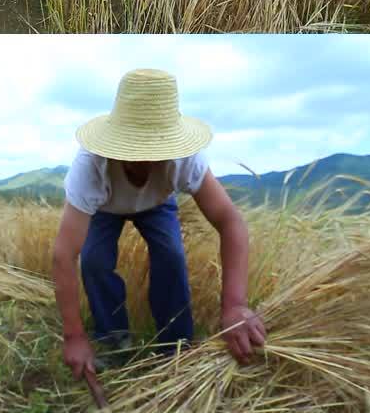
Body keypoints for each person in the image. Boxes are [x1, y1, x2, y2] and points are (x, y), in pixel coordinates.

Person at [50, 68, 265, 379]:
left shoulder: (184, 161)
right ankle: (112, 339)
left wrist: (235, 305)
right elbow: (64, 255)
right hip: (105, 208)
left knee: (171, 257)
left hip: (157, 205)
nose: (143, 160)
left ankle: (174, 347)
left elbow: (230, 221)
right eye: (134, 150)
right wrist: (73, 336)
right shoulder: (91, 168)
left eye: (153, 151)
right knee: (95, 261)